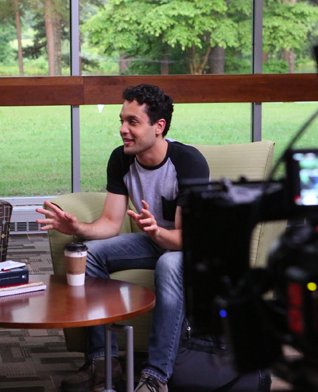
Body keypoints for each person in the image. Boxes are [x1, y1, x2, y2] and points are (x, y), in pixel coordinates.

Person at [36, 84, 210, 392]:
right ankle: (104, 365)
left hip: (191, 248)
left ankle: (156, 377)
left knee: (170, 263)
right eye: (121, 120)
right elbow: (109, 224)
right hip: (153, 240)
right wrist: (76, 227)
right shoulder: (121, 159)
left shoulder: (188, 162)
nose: (122, 130)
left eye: (132, 122)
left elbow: (187, 240)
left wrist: (157, 232)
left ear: (159, 127)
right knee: (86, 253)